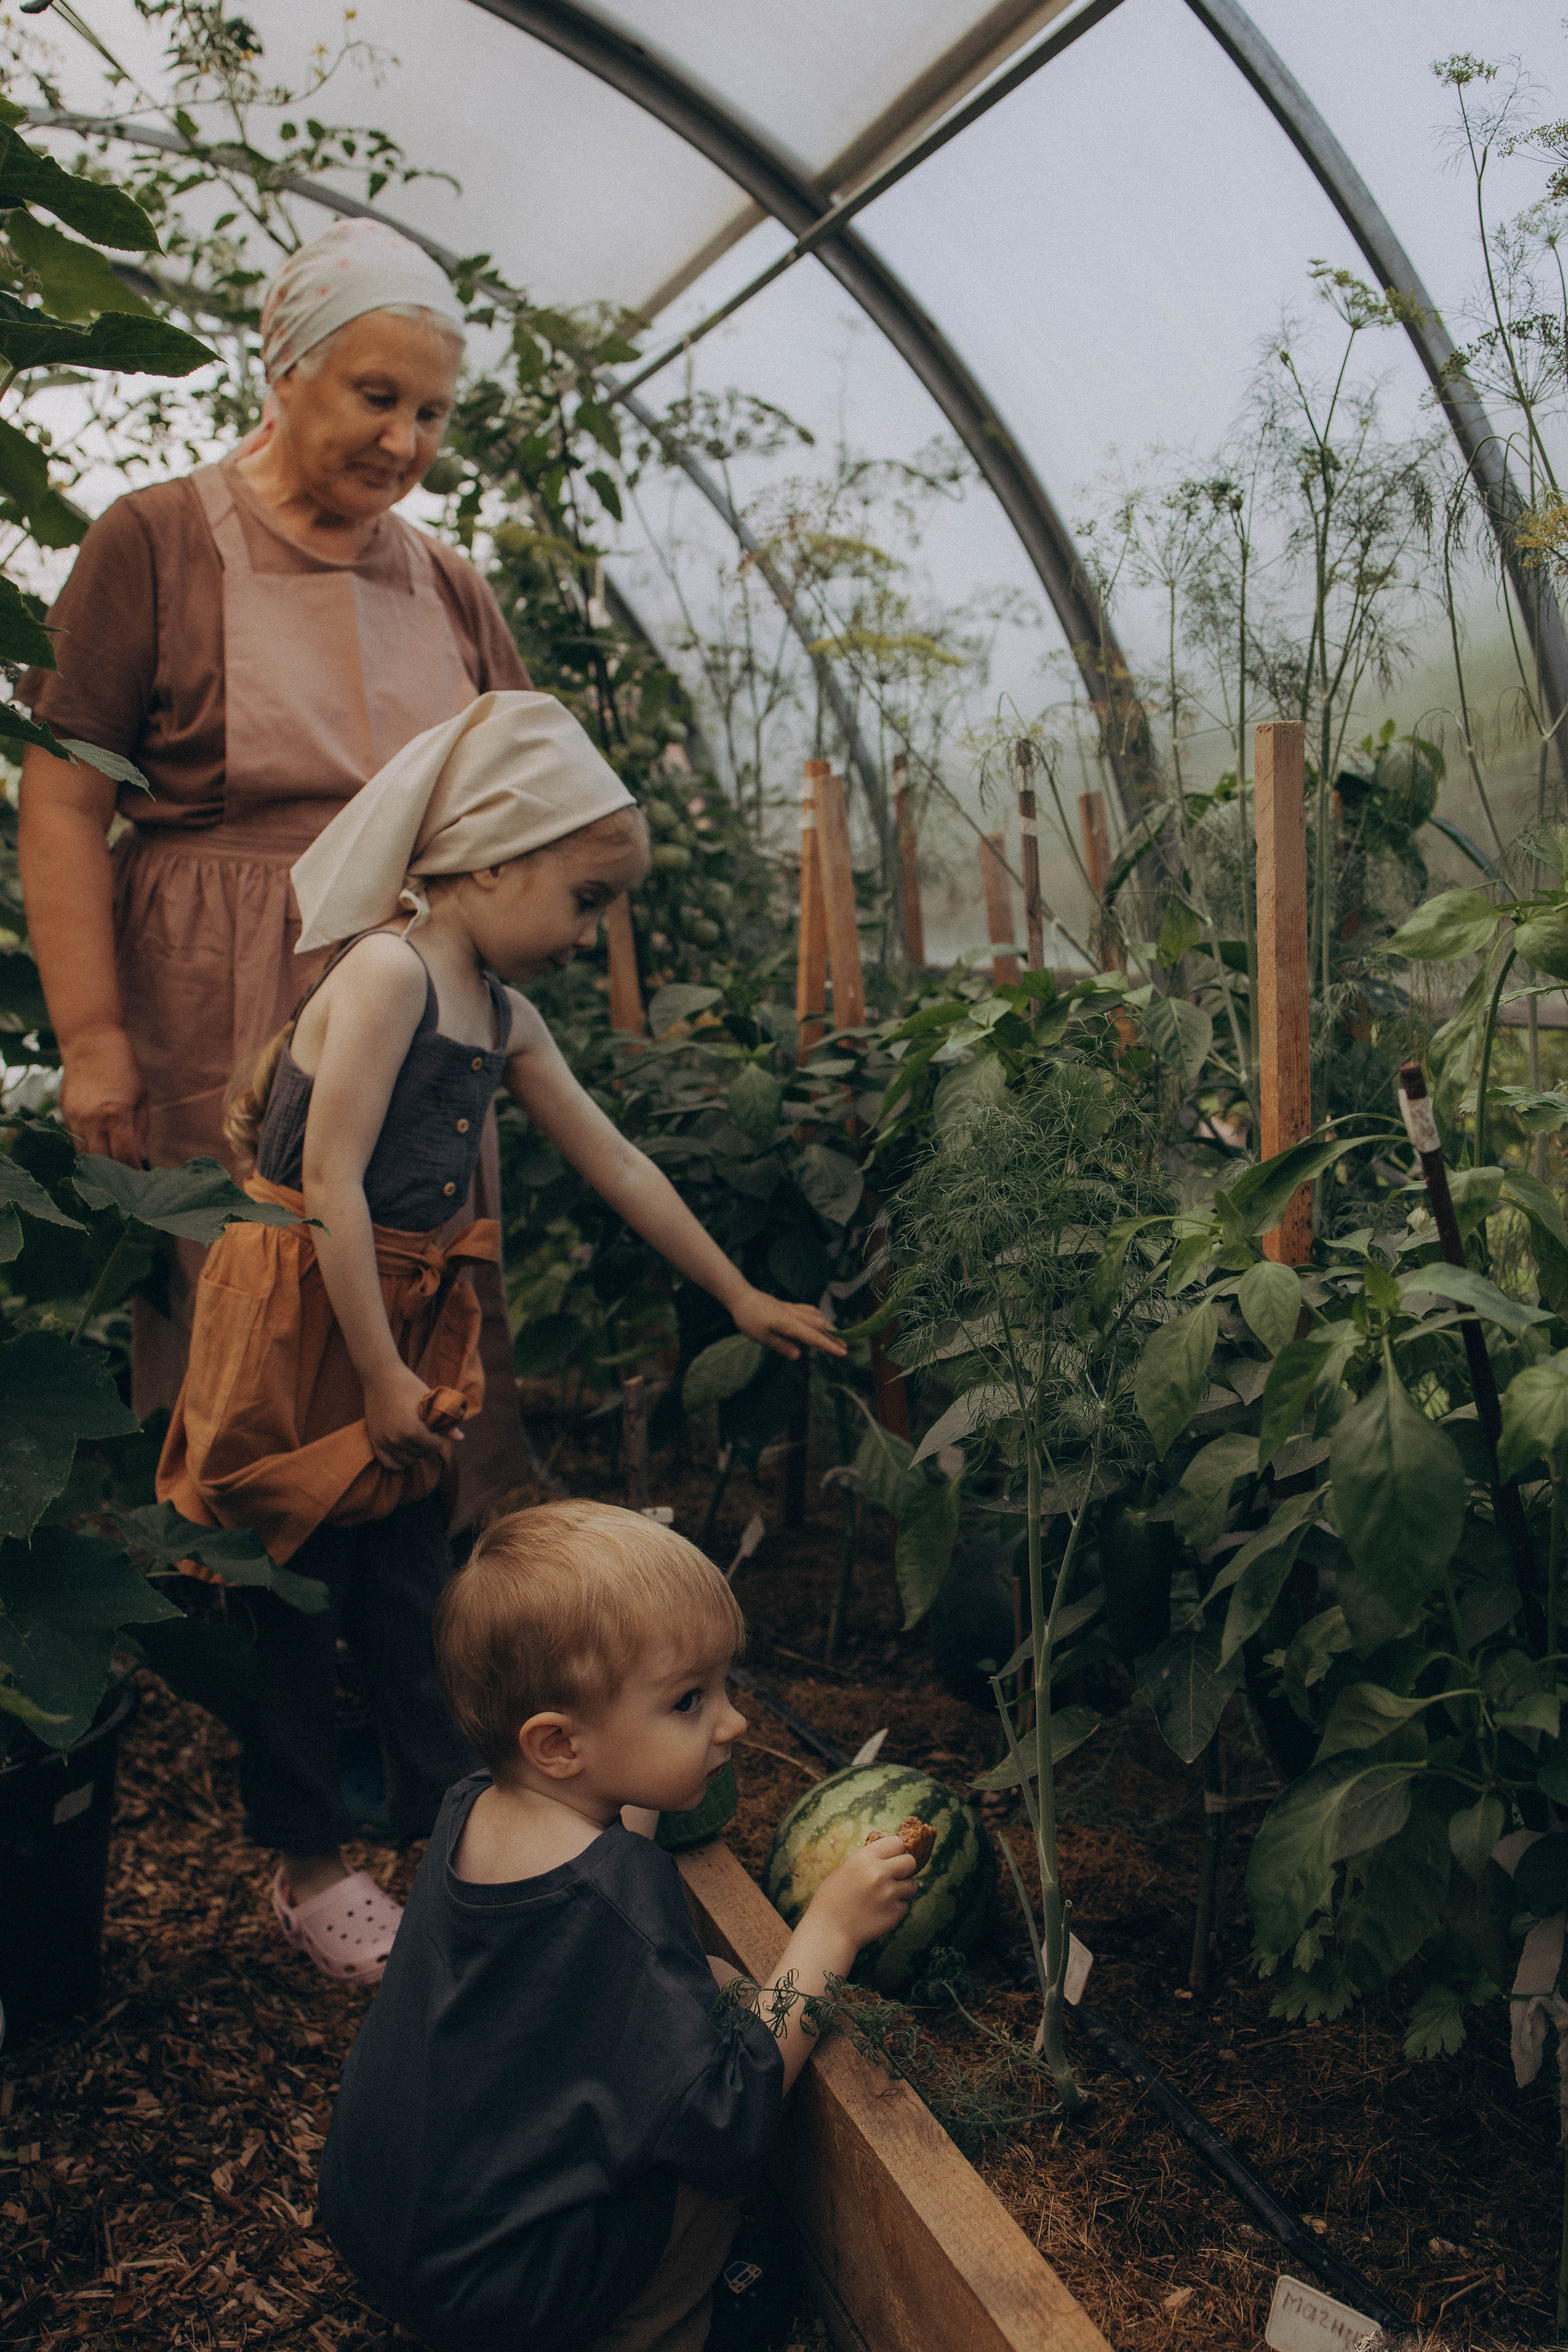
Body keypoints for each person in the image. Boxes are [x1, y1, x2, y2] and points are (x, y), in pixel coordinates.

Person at [157, 690, 845, 1978]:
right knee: (296, 1597)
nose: (593, 933)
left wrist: (740, 1294)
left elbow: (620, 1165)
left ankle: (441, 1838)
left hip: (398, 1322)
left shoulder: (502, 1015)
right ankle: (308, 1868)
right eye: (586, 899)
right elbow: (335, 1188)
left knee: (415, 1590)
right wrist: (374, 1375)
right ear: (488, 858)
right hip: (308, 1322)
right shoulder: (385, 972)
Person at [16, 216, 529, 1526]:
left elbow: (523, 799)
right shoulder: (156, 542)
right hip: (212, 973)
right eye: (376, 396)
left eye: (431, 413)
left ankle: (423, 1626)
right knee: (231, 1288)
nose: (405, 443)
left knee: (418, 1278)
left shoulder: (451, 585)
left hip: (409, 985)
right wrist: (93, 1039)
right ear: (285, 367)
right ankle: (235, 1617)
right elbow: (66, 798)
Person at [318, 1499, 918, 2352]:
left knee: (707, 1994)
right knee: (697, 2128)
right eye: (687, 1701)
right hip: (507, 2296)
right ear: (558, 1743)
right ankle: (672, 2329)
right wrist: (831, 1930)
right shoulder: (616, 1899)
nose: (734, 1721)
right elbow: (726, 2117)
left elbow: (599, 1849)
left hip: (397, 2230)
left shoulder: (474, 1808)